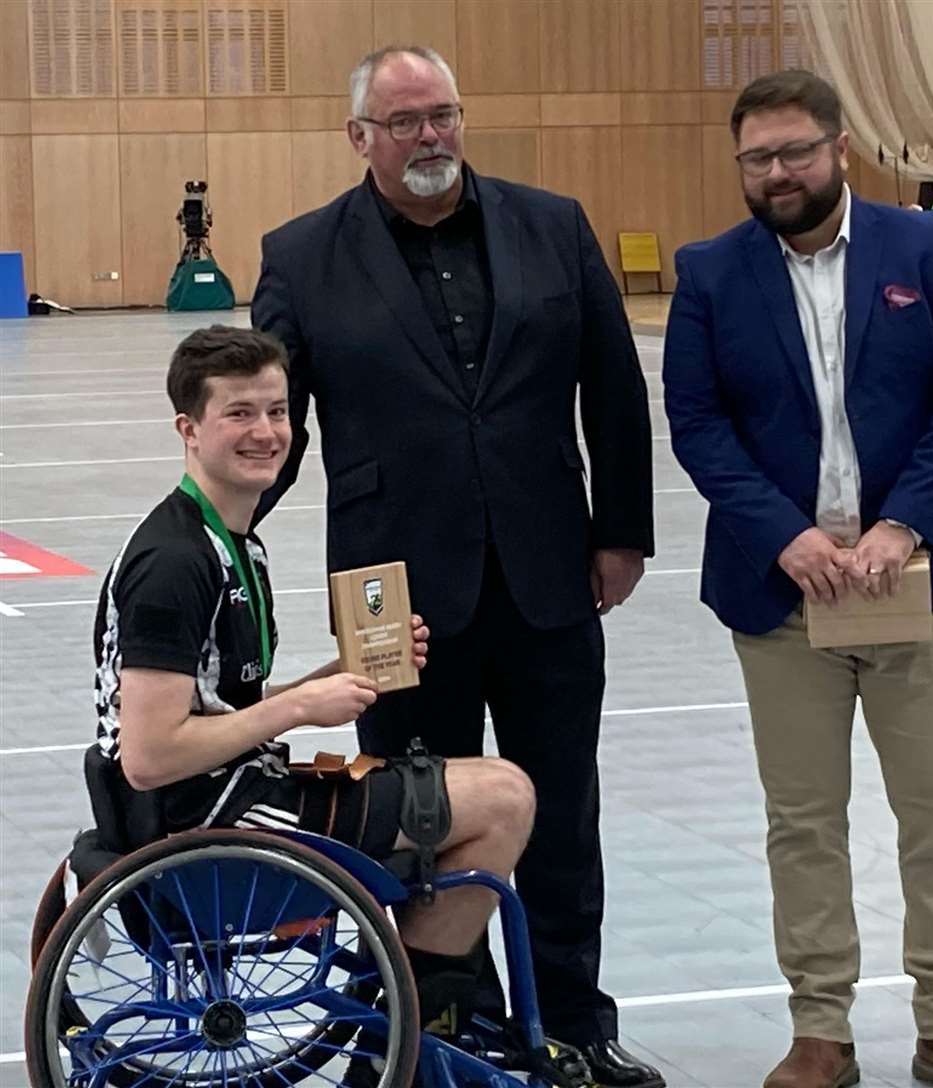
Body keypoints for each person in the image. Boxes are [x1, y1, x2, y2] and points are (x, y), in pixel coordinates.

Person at [250, 45, 660, 1088]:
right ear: (360, 138)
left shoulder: (553, 225)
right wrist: (224, 536)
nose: (431, 136)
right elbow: (271, 425)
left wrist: (621, 530)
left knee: (562, 811)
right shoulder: (301, 255)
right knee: (423, 820)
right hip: (394, 595)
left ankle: (573, 1020)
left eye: (443, 115)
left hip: (547, 573)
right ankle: (453, 1027)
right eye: (405, 122)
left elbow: (612, 387)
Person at [663, 71, 933, 1088]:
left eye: (795, 152)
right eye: (757, 158)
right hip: (783, 597)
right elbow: (699, 424)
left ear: (841, 146)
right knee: (803, 818)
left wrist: (902, 522)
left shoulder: (924, 247)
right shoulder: (711, 271)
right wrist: (785, 535)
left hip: (920, 582)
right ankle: (820, 1026)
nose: (777, 173)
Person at [91, 324, 539, 1070]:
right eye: (239, 413)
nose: (266, 432)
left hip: (221, 794)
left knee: (490, 789)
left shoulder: (229, 542)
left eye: (277, 411)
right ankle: (412, 1032)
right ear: (188, 428)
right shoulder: (173, 565)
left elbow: (216, 713)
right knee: (506, 799)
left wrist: (335, 678)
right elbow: (150, 754)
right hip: (205, 818)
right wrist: (300, 709)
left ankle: (409, 1023)